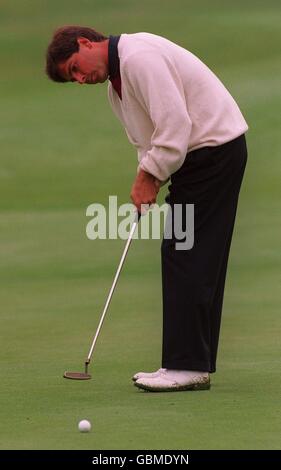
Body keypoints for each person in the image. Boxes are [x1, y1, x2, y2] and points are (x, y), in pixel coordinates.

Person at [45, 26, 248, 392]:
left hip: (212, 153)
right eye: (71, 78)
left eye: (75, 68)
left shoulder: (139, 59)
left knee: (185, 253)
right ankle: (190, 363)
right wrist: (149, 176)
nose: (79, 79)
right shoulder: (116, 86)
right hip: (199, 158)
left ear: (85, 43)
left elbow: (175, 125)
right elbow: (147, 138)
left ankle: (186, 366)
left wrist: (150, 176)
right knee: (187, 253)